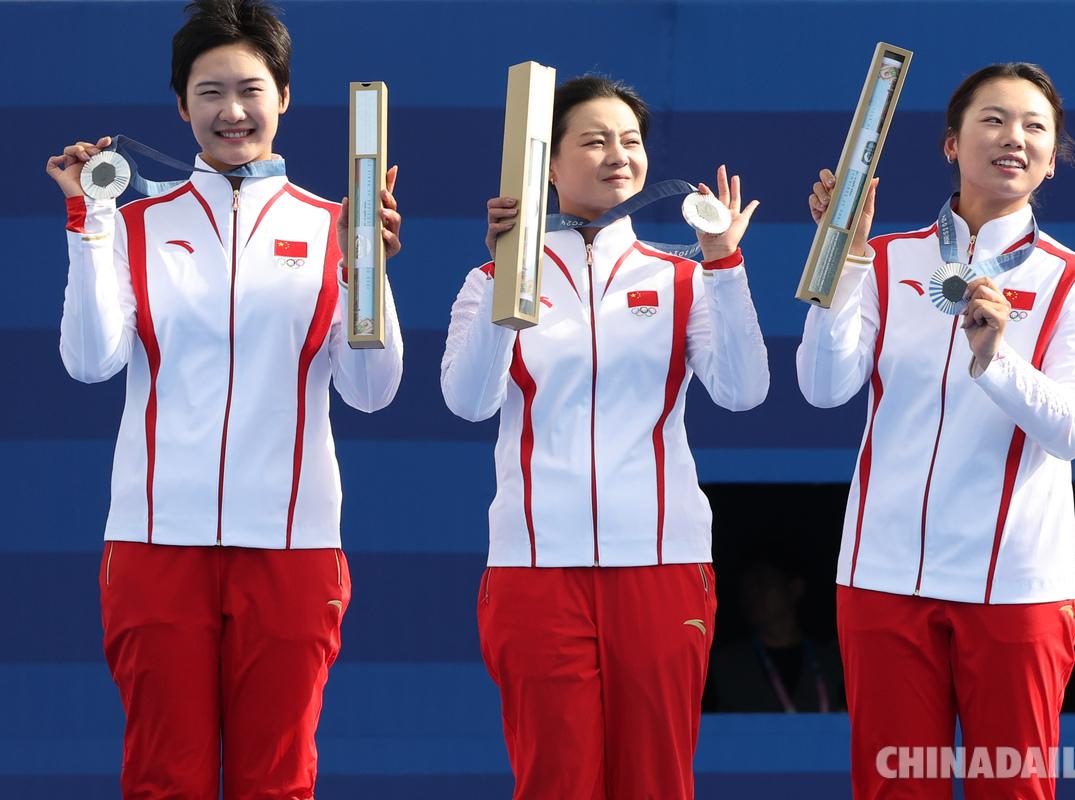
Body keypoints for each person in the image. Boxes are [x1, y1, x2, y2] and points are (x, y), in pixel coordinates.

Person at [44, 1, 403, 796]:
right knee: (162, 777)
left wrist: (366, 273)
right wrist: (88, 218)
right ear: (181, 105)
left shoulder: (334, 226)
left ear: (284, 97)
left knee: (277, 780)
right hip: (155, 542)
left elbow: (372, 392)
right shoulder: (134, 224)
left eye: (250, 90)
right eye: (209, 92)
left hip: (292, 545)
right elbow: (91, 362)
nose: (231, 111)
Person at [441, 75, 770, 800]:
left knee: (656, 782)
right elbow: (469, 403)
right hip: (536, 570)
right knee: (554, 782)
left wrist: (724, 263)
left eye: (630, 140)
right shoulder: (490, 279)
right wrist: (511, 278)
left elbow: (743, 391)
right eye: (594, 141)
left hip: (661, 566)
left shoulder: (683, 279)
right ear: (547, 165)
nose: (619, 155)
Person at [796, 62, 1075, 799]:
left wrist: (995, 359)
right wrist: (843, 260)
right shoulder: (885, 259)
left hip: (1016, 588)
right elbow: (822, 387)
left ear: (1052, 158)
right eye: (993, 120)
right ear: (952, 144)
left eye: (1035, 127)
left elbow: (1073, 430)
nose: (1014, 138)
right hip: (882, 577)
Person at [703, 560, 844, 713]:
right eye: (747, 588)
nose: (754, 594)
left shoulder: (833, 661)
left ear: (795, 588)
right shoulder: (722, 665)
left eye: (763, 583)